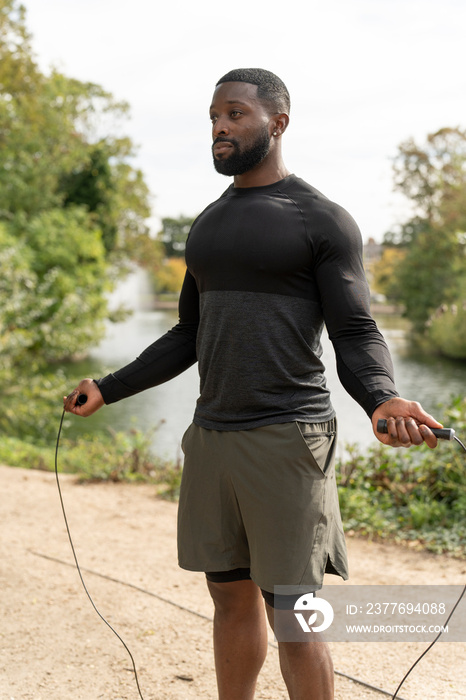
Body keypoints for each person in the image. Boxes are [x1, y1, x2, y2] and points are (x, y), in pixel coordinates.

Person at [64, 68, 442, 700]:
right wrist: (110, 386)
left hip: (287, 436)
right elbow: (189, 333)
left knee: (294, 611)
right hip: (213, 435)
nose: (219, 128)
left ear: (278, 123)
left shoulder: (322, 220)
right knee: (228, 598)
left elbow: (355, 330)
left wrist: (380, 398)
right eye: (214, 117)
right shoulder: (207, 225)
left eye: (236, 115)